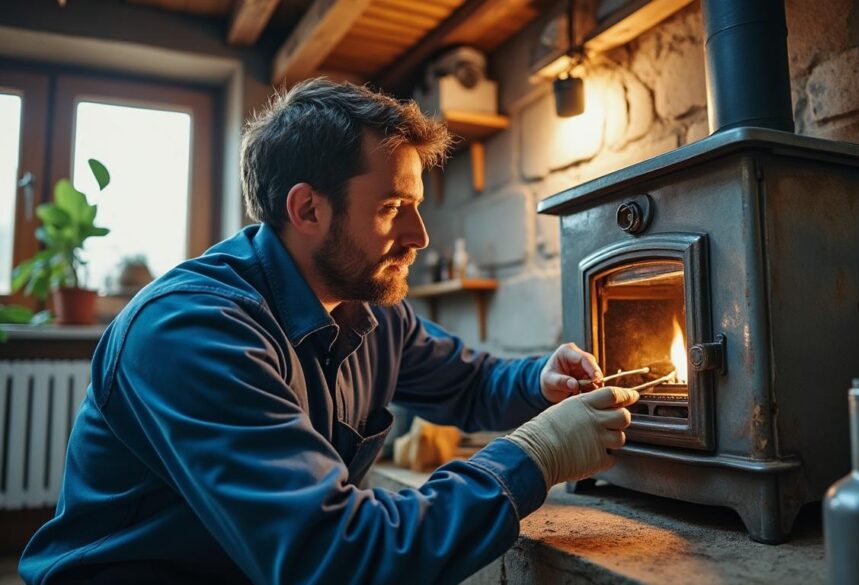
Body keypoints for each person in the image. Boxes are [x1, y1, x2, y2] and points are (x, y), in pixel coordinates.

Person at [19, 79, 639, 584]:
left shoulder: (370, 306)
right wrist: (535, 455)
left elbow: (470, 382)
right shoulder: (193, 330)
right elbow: (338, 559)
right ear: (307, 209)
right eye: (394, 209)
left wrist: (541, 378)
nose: (419, 238)